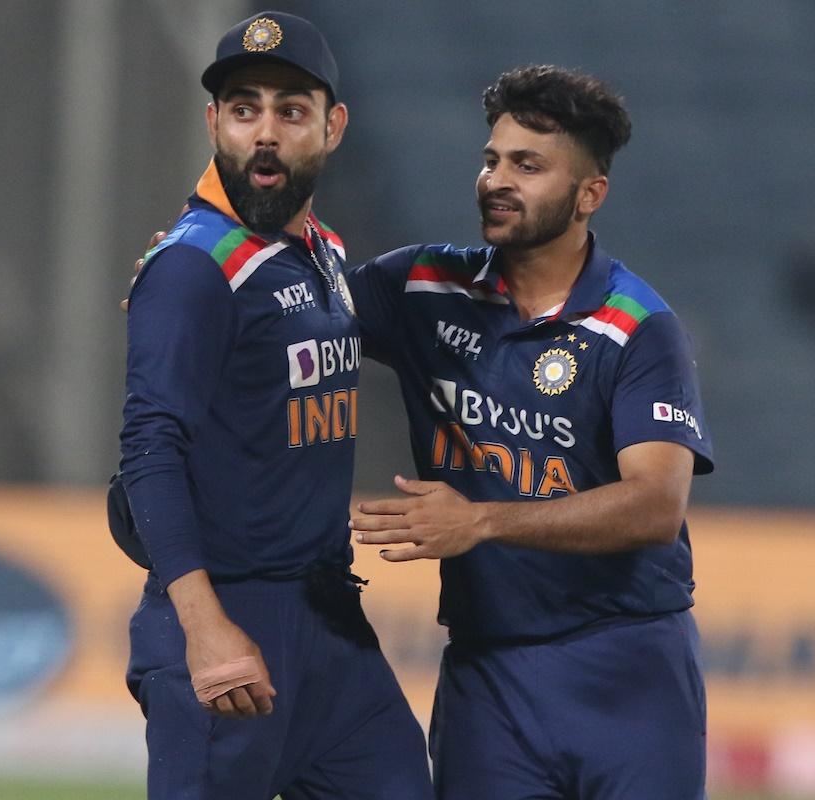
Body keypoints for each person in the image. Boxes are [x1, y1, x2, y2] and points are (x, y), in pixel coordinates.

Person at [346, 65, 715, 800]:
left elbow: (654, 506)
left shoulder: (637, 327)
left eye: (528, 165)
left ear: (589, 195)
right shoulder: (423, 287)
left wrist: (479, 520)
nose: (496, 180)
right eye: (492, 159)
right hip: (490, 678)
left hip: (629, 670)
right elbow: (291, 310)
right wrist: (201, 262)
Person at [116, 11, 432, 799]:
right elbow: (150, 449)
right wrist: (204, 626)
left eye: (291, 111)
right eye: (244, 107)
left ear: (334, 127)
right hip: (229, 616)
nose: (265, 131)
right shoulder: (195, 267)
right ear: (214, 121)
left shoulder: (320, 252)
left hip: (327, 624)